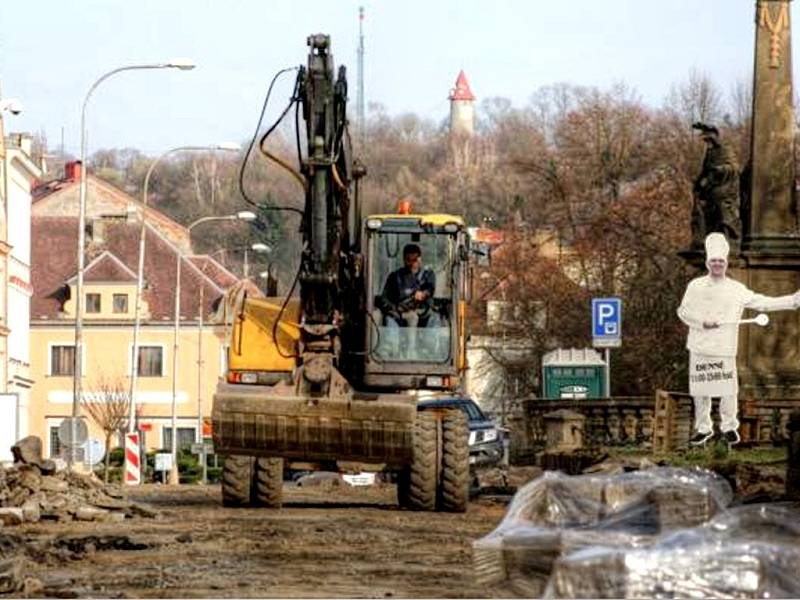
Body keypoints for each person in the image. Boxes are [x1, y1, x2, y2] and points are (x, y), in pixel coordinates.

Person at [677, 233, 800, 446]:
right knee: (701, 391)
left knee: (728, 390)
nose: (717, 264)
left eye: (720, 261)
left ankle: (729, 427)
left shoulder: (736, 289)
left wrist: (792, 300)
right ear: (708, 263)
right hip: (700, 346)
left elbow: (762, 303)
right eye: (713, 261)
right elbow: (683, 312)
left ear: (725, 264)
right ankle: (703, 428)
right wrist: (703, 322)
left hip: (725, 347)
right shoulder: (695, 286)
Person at [378, 243, 436, 328]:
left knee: (434, 319)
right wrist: (395, 308)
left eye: (414, 260)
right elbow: (384, 299)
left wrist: (422, 294)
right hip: (399, 315)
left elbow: (430, 289)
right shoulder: (395, 277)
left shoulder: (428, 275)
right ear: (404, 259)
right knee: (389, 321)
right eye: (409, 260)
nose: (412, 264)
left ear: (420, 259)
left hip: (422, 314)